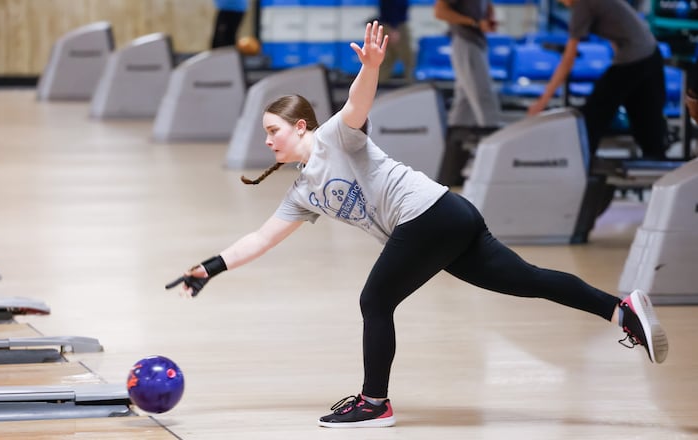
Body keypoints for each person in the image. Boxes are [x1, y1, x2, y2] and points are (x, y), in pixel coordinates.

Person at [168, 21, 669, 428]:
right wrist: (208, 269)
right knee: (527, 281)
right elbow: (261, 238)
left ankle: (374, 401)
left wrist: (370, 68)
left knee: (375, 299)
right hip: (447, 219)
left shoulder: (334, 137)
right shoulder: (304, 190)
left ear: (300, 125)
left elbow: (358, 104)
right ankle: (622, 312)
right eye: (266, 135)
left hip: (428, 215)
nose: (269, 141)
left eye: (273, 131)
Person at [527, 0, 669, 160]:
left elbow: (568, 59)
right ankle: (657, 163)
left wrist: (542, 102)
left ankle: (582, 165)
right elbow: (618, 27)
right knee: (645, 121)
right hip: (650, 54)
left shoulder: (582, 5)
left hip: (635, 58)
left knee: (594, 116)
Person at [434, 0, 502, 128]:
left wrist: (489, 16)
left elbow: (484, 6)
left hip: (477, 42)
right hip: (466, 42)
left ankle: (454, 144)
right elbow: (440, 11)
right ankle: (492, 141)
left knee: (465, 103)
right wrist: (474, 22)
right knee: (484, 97)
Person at [377, 0, 414, 84]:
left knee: (388, 56)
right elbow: (391, 8)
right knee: (407, 57)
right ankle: (410, 83)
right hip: (395, 26)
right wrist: (394, 27)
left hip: (390, 24)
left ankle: (378, 82)